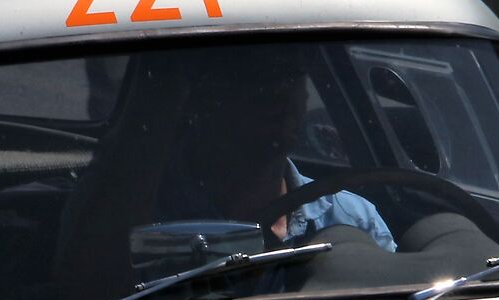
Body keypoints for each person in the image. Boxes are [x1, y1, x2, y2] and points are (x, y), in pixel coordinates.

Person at [157, 50, 397, 251]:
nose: (281, 92)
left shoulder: (354, 219)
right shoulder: (155, 224)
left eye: (293, 75)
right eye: (256, 77)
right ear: (207, 97)